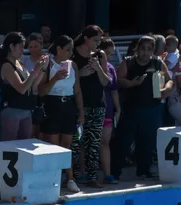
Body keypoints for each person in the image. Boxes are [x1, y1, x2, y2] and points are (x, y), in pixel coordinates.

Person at [113, 36, 173, 181]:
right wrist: (131, 83)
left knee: (148, 141)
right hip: (131, 108)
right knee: (123, 141)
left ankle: (143, 170)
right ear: (137, 49)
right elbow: (118, 81)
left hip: (152, 108)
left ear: (153, 50)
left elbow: (169, 79)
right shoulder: (128, 62)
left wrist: (166, 90)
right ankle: (114, 172)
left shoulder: (158, 62)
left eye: (149, 49)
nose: (145, 52)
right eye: (143, 48)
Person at [39, 35, 83, 193]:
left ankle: (70, 179)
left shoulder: (73, 65)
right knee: (54, 145)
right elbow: (42, 90)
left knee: (67, 145)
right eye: (68, 49)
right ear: (59, 49)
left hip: (69, 105)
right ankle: (53, 179)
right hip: (53, 104)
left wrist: (81, 111)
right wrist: (55, 78)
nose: (71, 53)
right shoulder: (48, 63)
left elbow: (77, 90)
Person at [70, 26, 109, 189]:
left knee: (93, 143)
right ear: (86, 39)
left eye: (99, 40)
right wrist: (81, 73)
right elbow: (69, 80)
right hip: (78, 106)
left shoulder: (100, 55)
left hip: (97, 105)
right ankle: (75, 176)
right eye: (95, 40)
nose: (98, 43)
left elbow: (106, 82)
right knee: (75, 143)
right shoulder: (73, 55)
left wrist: (98, 67)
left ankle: (92, 176)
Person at [0, 32, 46, 142]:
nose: (23, 51)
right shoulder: (6, 65)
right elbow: (21, 88)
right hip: (12, 111)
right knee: (10, 147)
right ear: (11, 46)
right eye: (21, 47)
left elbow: (33, 84)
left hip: (26, 110)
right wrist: (36, 69)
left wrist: (42, 68)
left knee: (25, 145)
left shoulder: (20, 63)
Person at [99, 39, 121, 183]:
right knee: (86, 143)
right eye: (106, 53)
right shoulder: (91, 66)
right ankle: (83, 172)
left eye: (111, 54)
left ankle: (107, 174)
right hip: (92, 108)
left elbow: (114, 91)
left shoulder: (111, 68)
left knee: (105, 142)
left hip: (107, 109)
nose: (108, 56)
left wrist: (118, 108)